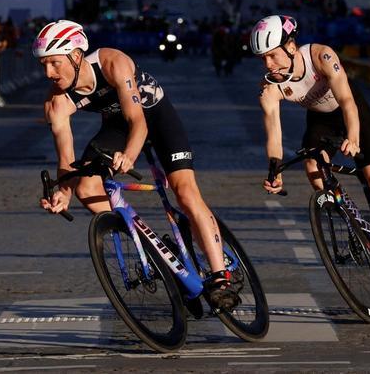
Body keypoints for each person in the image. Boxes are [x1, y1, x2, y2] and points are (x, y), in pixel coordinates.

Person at [35, 19, 241, 310]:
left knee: (184, 192)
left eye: (55, 63)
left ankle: (221, 278)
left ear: (76, 55)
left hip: (154, 117)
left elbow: (138, 122)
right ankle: (156, 251)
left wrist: (129, 155)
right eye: (43, 64)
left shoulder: (111, 63)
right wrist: (62, 193)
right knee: (85, 184)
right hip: (117, 127)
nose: (48, 73)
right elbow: (66, 159)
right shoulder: (55, 103)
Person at [251, 15, 370, 280]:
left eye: (272, 56)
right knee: (312, 167)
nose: (268, 64)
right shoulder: (270, 88)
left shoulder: (322, 57)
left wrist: (354, 137)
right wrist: (274, 170)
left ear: (290, 46)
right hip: (320, 120)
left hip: (351, 112)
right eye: (262, 58)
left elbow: (347, 101)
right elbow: (274, 132)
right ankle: (355, 228)